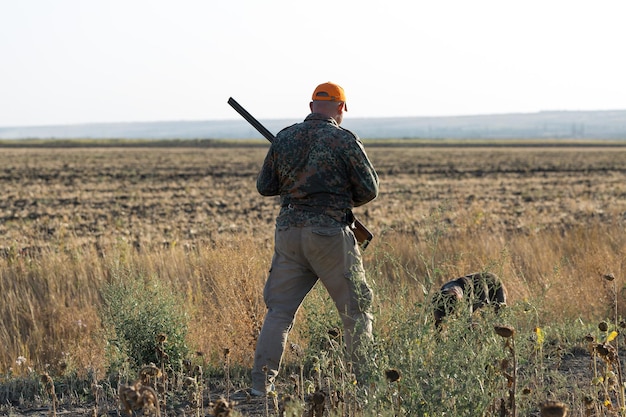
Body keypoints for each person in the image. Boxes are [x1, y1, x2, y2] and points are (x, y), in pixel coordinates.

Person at [250, 82, 379, 395]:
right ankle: (364, 386)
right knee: (356, 312)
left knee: (279, 313)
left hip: (289, 234)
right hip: (330, 235)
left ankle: (259, 387)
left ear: (311, 107)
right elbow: (369, 189)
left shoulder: (285, 137)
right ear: (341, 108)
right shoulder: (343, 139)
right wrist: (336, 194)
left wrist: (296, 181)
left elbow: (265, 186)